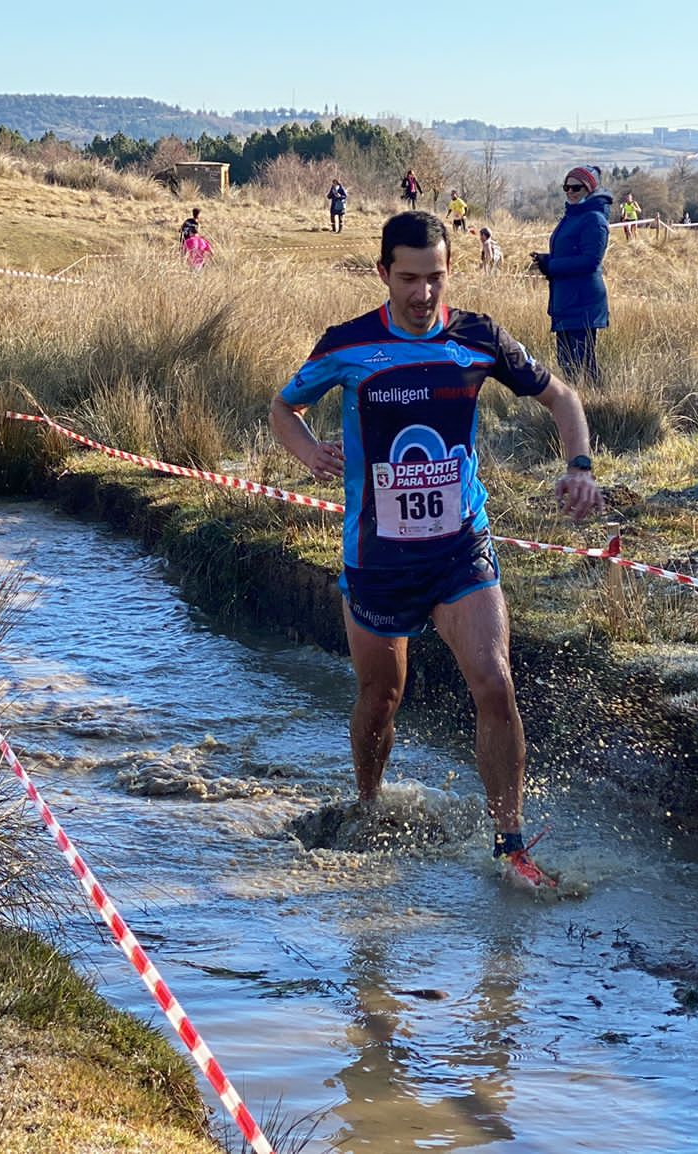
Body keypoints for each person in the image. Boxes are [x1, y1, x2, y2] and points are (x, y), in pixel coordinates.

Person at [267, 211, 603, 892]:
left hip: (459, 547)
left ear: (450, 273)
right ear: (383, 273)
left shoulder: (478, 338)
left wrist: (580, 466)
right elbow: (284, 407)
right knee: (381, 696)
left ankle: (510, 844)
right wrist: (308, 454)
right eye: (410, 278)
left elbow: (562, 397)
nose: (423, 294)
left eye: (436, 278)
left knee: (494, 680)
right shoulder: (348, 344)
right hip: (378, 557)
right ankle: (368, 801)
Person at [532, 165, 611, 386]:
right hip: (566, 300)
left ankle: (593, 408)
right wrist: (545, 260)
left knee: (581, 364)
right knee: (568, 363)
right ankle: (583, 408)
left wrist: (553, 265)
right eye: (566, 187)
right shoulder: (572, 215)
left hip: (583, 302)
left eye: (575, 187)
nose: (570, 192)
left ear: (588, 189)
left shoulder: (594, 219)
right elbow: (570, 253)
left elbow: (591, 260)